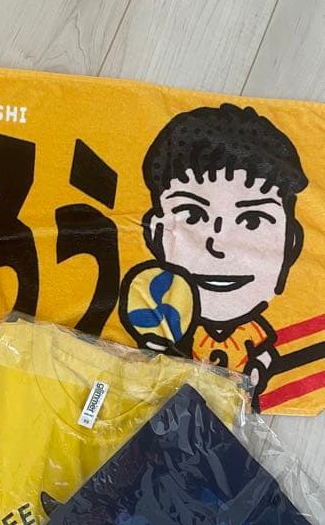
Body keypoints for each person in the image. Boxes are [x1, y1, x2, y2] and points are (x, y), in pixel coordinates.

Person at [122, 103, 308, 398]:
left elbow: (262, 364)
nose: (218, 245)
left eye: (252, 220)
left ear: (292, 243)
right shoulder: (164, 323)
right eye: (193, 216)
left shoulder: (257, 337)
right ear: (156, 235)